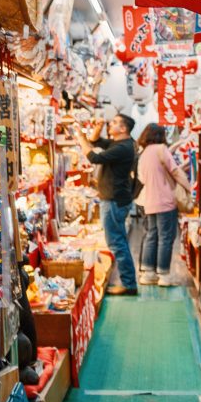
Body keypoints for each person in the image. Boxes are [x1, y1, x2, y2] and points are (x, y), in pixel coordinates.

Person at [76, 114, 138, 296]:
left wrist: (80, 137)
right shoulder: (119, 143)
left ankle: (129, 284)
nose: (111, 124)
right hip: (114, 199)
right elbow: (96, 140)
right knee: (118, 241)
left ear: (123, 129)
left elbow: (94, 157)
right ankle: (129, 281)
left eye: (115, 122)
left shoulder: (124, 148)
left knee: (117, 243)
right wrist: (99, 126)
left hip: (113, 201)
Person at [136, 123, 191, 287]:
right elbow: (174, 171)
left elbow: (142, 178)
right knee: (166, 238)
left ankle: (148, 273)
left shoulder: (144, 153)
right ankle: (164, 275)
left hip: (149, 201)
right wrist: (189, 188)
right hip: (165, 200)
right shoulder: (161, 149)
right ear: (160, 135)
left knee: (152, 235)